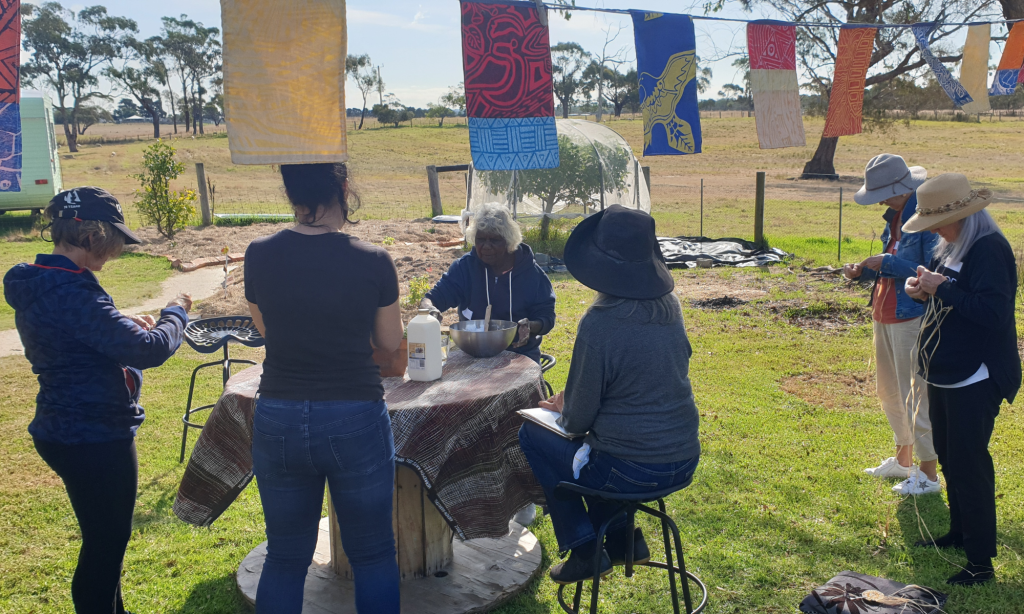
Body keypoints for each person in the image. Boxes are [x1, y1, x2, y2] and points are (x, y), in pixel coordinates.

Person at [3, 187, 191, 614]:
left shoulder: (42, 280)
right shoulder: (71, 290)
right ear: (91, 236)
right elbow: (149, 350)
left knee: (105, 539)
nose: (116, 252)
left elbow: (79, 332)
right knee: (105, 547)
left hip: (65, 426)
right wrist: (175, 311)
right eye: (113, 241)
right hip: (92, 435)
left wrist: (121, 323)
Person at [244, 163, 404, 614]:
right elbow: (391, 343)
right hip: (354, 413)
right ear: (344, 188)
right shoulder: (373, 259)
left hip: (278, 413)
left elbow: (265, 327)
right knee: (372, 555)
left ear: (289, 191)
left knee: (285, 556)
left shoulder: (258, 253)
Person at [518, 205, 700, 584]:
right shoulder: (670, 306)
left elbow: (578, 420)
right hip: (683, 457)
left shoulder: (600, 323)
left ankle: (584, 549)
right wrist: (578, 396)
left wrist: (564, 409)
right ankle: (622, 539)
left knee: (535, 435)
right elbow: (645, 377)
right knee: (595, 450)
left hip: (630, 469)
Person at [902, 173, 1021, 586]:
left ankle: (981, 561)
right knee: (950, 457)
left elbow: (992, 313)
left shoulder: (990, 250)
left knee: (970, 464)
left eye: (937, 222)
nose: (933, 230)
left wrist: (942, 289)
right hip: (946, 371)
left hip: (977, 375)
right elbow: (943, 288)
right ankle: (960, 532)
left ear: (965, 217)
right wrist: (921, 288)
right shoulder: (951, 245)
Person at [843, 154, 940, 495]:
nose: (880, 200)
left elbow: (929, 268)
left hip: (911, 315)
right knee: (889, 391)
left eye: (883, 192)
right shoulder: (896, 215)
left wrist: (885, 261)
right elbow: (892, 263)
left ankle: (928, 475)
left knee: (916, 394)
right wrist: (864, 271)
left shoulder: (926, 216)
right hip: (885, 311)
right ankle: (904, 460)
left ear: (901, 189)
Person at [419, 203, 556, 363]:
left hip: (520, 355)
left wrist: (530, 326)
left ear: (508, 241)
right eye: (481, 239)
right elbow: (433, 298)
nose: (486, 247)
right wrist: (430, 310)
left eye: (494, 240)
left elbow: (546, 317)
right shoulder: (465, 268)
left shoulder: (532, 273)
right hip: (472, 354)